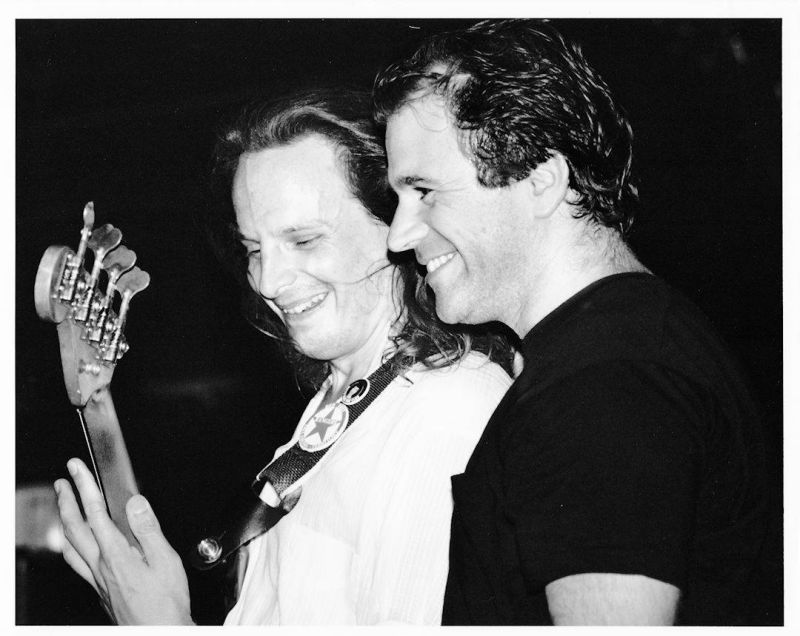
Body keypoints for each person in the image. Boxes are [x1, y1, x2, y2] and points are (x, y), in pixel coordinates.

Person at [53, 88, 514, 625]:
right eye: (254, 249)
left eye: (304, 240)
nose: (268, 281)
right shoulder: (339, 407)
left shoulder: (446, 408)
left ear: (396, 228)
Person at [374, 19, 768, 626]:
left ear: (541, 181)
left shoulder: (602, 383)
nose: (399, 235)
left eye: (424, 190)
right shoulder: (623, 347)